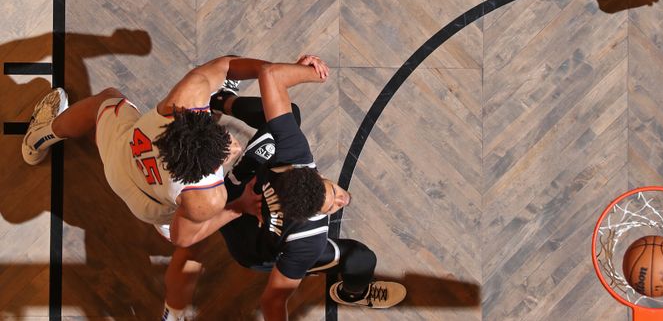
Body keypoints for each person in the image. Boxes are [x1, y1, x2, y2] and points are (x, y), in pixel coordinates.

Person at [20, 55, 311, 321]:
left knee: (107, 100)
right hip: (151, 206)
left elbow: (225, 64)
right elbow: (181, 237)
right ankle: (172, 314)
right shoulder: (207, 196)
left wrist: (276, 70)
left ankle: (39, 137)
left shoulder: (178, 104)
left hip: (122, 159)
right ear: (213, 164)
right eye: (222, 139)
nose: (227, 138)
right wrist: (237, 206)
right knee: (192, 249)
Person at [209, 56, 406, 319]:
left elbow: (270, 75)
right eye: (334, 205)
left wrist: (307, 71)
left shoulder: (294, 156)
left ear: (312, 175)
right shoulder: (307, 241)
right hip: (248, 246)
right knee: (360, 258)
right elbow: (273, 303)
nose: (343, 200)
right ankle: (353, 294)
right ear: (306, 217)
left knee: (289, 113)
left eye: (334, 193)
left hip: (235, 194)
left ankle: (219, 101)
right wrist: (309, 74)